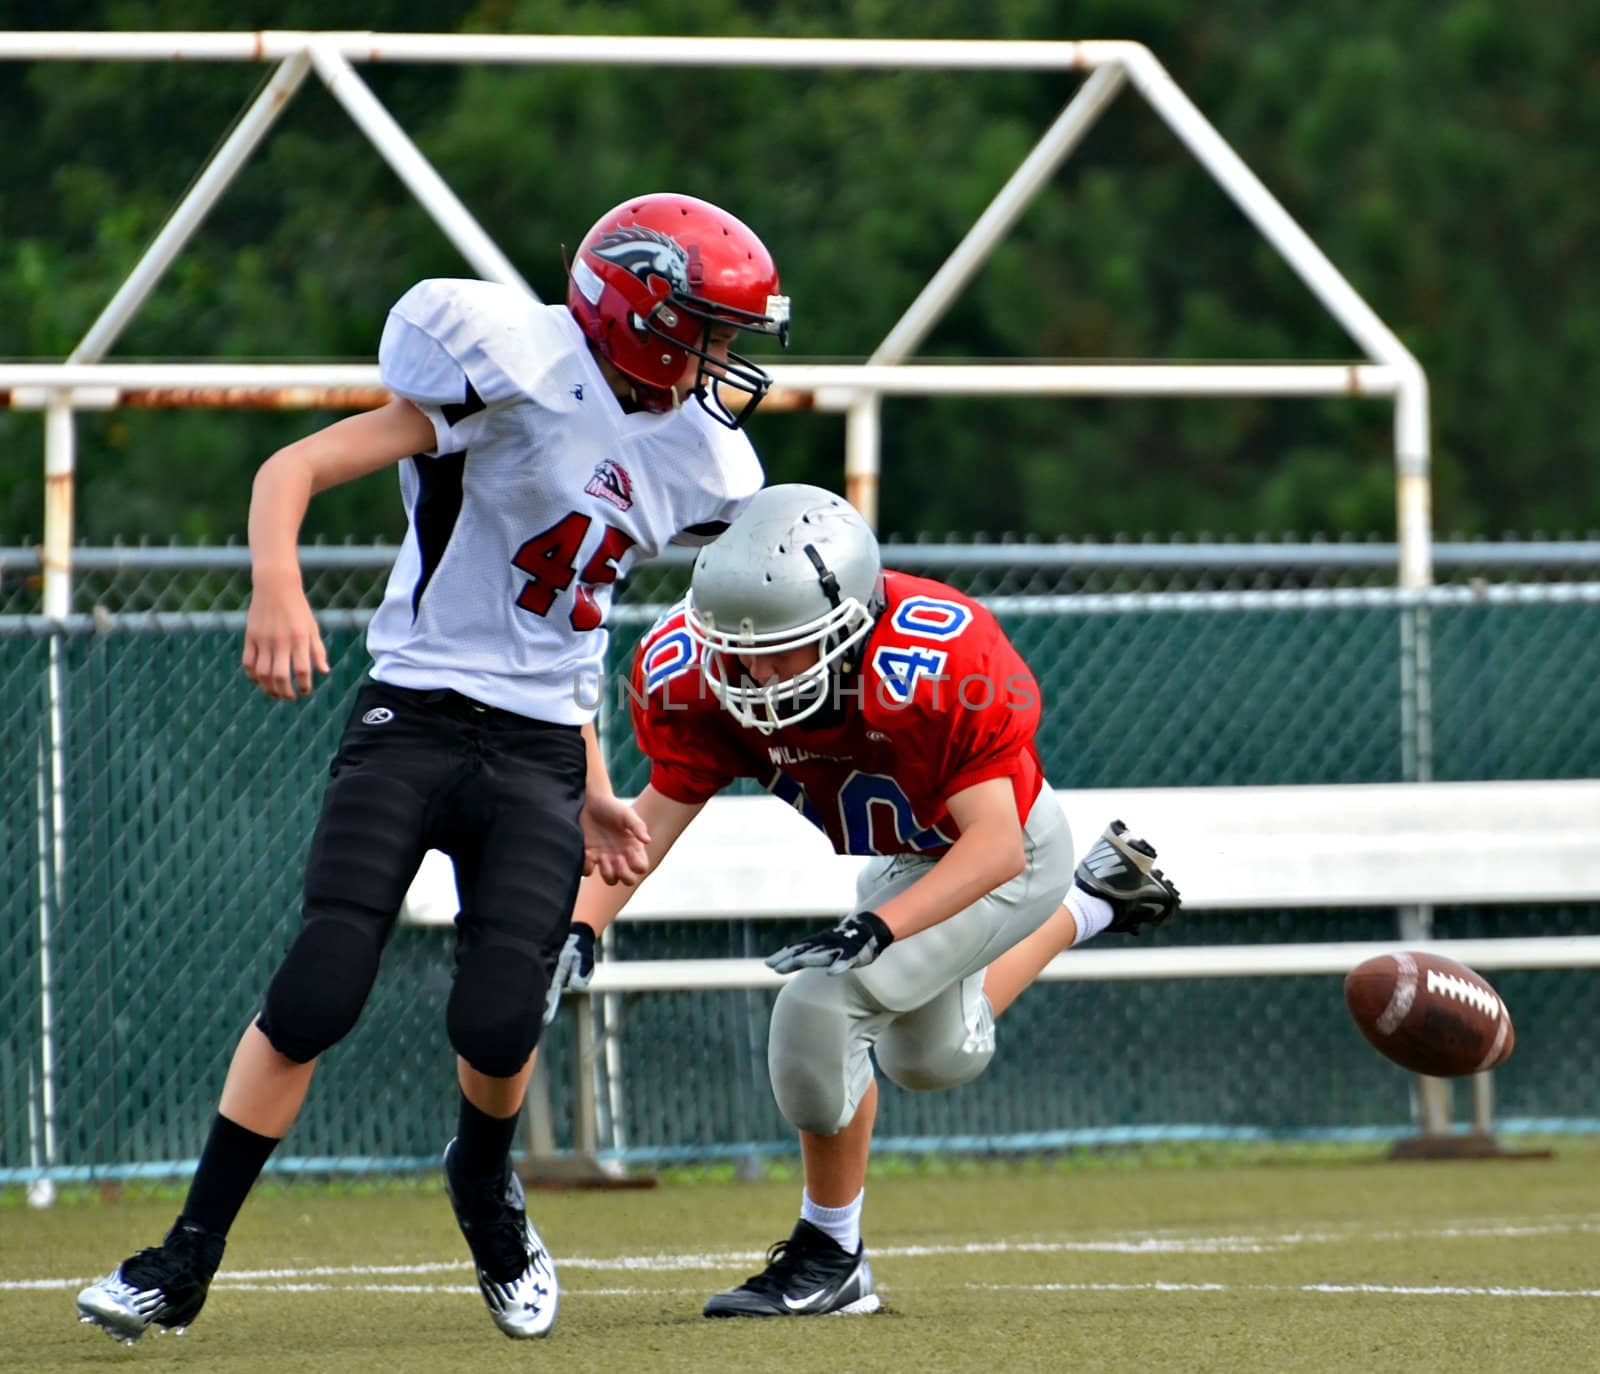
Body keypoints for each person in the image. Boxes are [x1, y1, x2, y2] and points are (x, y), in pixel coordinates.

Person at [75, 192, 791, 1345]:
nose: (721, 358)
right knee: (318, 989)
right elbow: (291, 468)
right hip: (411, 713)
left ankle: (483, 1192)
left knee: (503, 1021)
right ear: (638, 307)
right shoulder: (507, 366)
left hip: (538, 750)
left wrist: (599, 783)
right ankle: (181, 1259)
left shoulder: (704, 457)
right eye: (706, 328)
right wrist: (278, 583)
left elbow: (574, 624)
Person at [545, 483, 1182, 1317]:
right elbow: (652, 818)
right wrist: (580, 928)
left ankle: (831, 1254)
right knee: (932, 1058)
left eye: (784, 649)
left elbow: (991, 842)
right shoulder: (698, 673)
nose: (755, 674)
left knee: (822, 1003)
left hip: (1010, 855)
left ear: (848, 623)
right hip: (908, 862)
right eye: (737, 652)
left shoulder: (935, 659)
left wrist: (875, 928)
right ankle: (1093, 904)